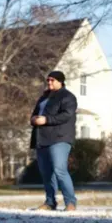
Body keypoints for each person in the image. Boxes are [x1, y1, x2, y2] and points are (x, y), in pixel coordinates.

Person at [30, 70, 79, 211]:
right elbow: (35, 114)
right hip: (42, 138)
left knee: (59, 169)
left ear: (60, 81)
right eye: (48, 80)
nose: (49, 83)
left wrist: (46, 120)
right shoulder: (43, 97)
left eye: (52, 80)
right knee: (46, 172)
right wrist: (33, 119)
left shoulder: (68, 97)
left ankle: (70, 203)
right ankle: (50, 202)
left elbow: (67, 115)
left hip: (60, 138)